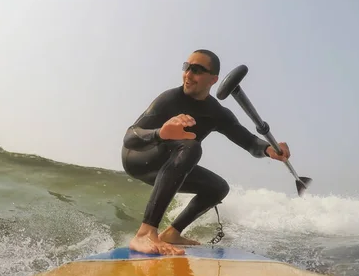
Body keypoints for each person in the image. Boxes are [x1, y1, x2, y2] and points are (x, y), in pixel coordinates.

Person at [121, 50, 291, 255]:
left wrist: (268, 149)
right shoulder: (169, 100)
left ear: (214, 79)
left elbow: (248, 141)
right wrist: (161, 133)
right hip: (139, 158)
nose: (188, 74)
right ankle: (145, 233)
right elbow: (130, 138)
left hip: (171, 163)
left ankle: (172, 233)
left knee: (218, 188)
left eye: (197, 70)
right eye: (187, 67)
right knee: (191, 146)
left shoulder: (217, 113)